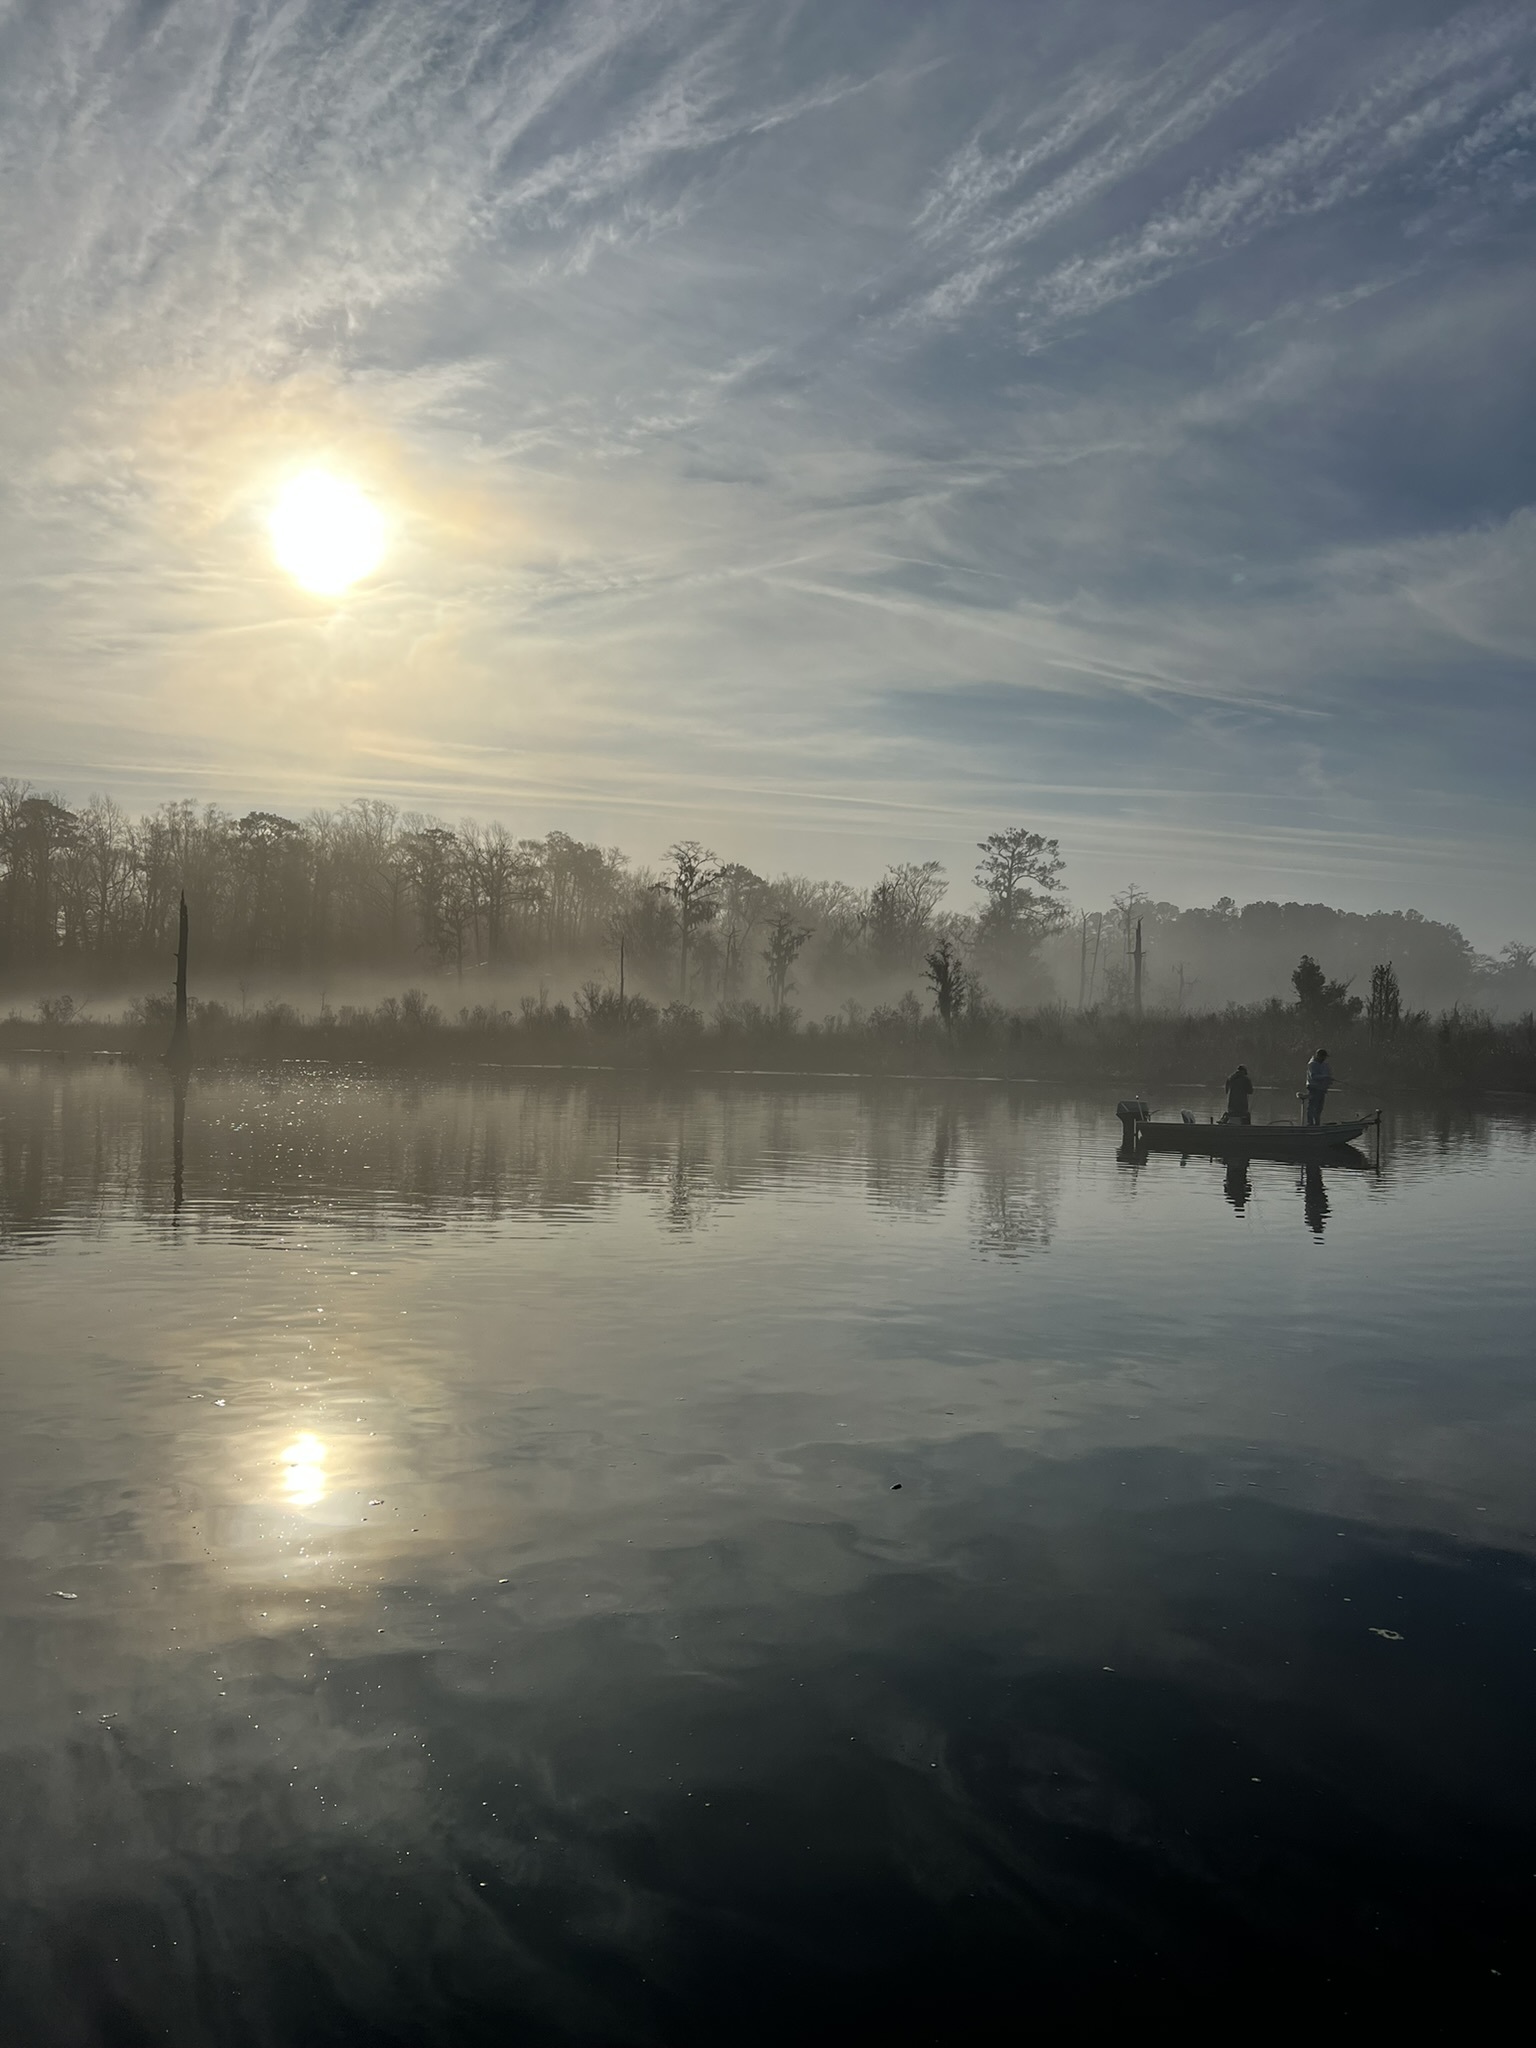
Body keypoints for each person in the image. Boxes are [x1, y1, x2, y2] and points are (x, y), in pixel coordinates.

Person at [1304, 1047, 1332, 1127]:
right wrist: (1325, 1077)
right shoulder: (1312, 1064)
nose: (1324, 1058)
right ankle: (1310, 1123)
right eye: (1323, 1057)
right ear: (1318, 1056)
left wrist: (1328, 1080)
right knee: (1312, 1107)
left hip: (1321, 1089)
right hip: (1313, 1088)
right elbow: (1313, 1076)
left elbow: (1327, 1074)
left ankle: (1317, 1124)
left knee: (1319, 1108)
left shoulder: (1324, 1064)